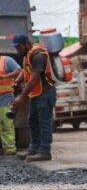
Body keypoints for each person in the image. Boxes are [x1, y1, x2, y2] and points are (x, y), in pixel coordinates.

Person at [11, 34, 56, 162]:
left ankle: (45, 151)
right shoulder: (27, 55)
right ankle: (33, 150)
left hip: (46, 92)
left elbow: (35, 77)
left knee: (44, 122)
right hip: (36, 93)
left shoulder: (38, 54)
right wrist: (16, 82)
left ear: (26, 44)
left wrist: (22, 97)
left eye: (18, 47)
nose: (17, 50)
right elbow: (25, 71)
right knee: (32, 120)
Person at [0, 55, 21, 155]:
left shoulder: (6, 61)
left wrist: (5, 76)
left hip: (5, 97)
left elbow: (18, 71)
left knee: (6, 124)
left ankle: (9, 149)